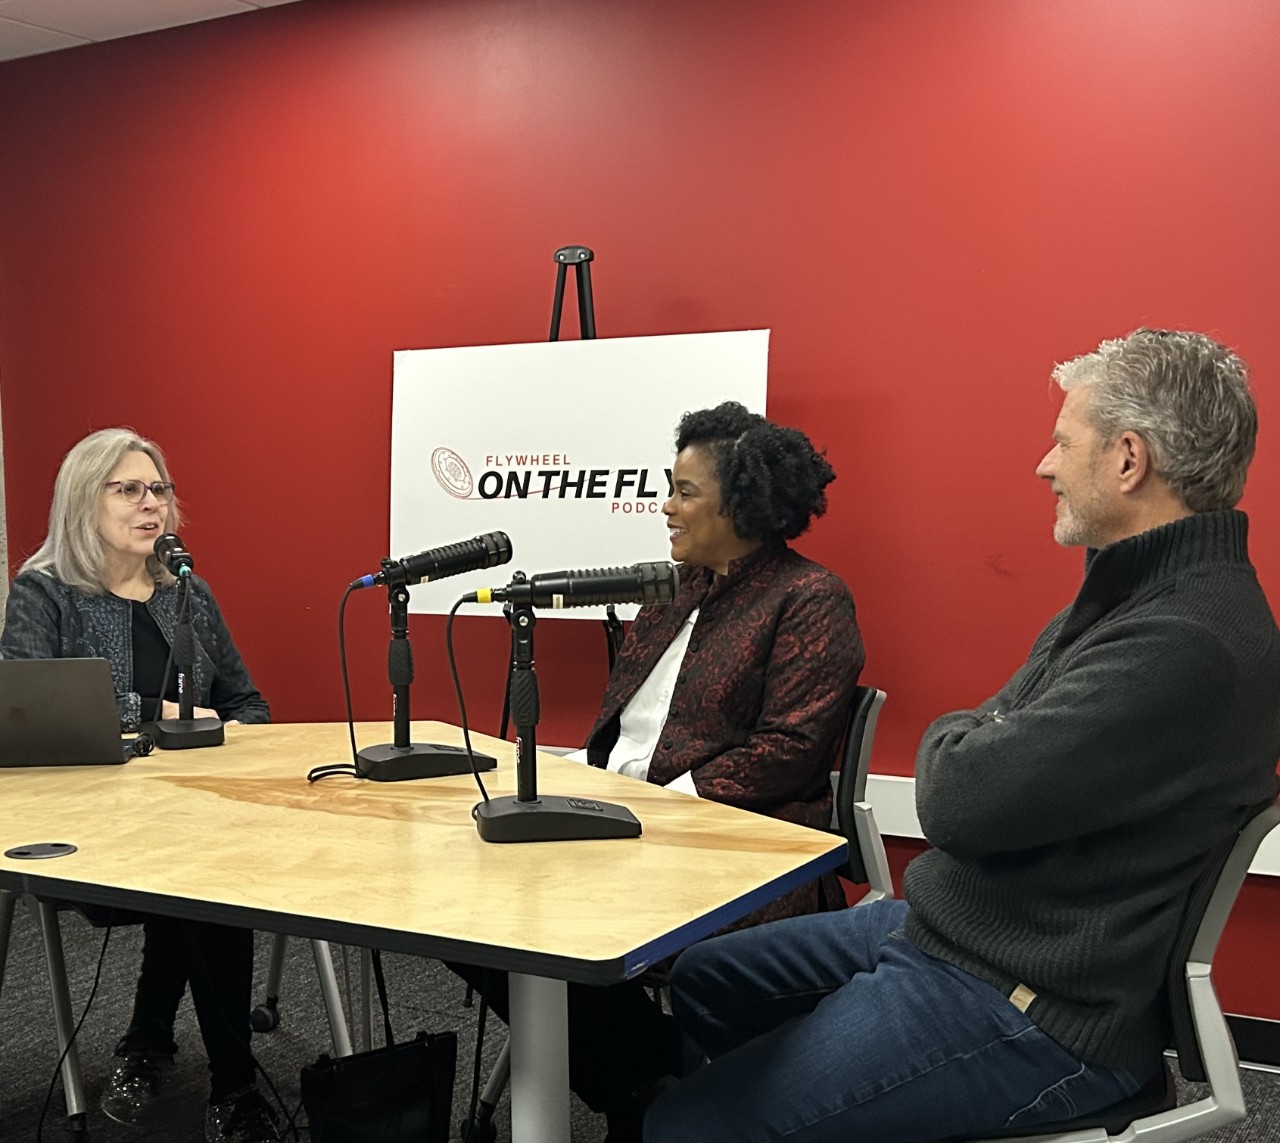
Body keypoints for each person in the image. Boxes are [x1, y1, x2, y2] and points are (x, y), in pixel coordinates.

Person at [645, 330, 1280, 1143]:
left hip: (1032, 1003)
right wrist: (981, 734)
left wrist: (977, 732)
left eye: (1062, 441)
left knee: (683, 1126)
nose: (1044, 465)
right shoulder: (1131, 592)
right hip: (954, 932)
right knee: (705, 977)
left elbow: (955, 796)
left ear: (1128, 460)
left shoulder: (1189, 639)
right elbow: (980, 750)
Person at [458, 401, 864, 1141]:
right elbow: (632, 735)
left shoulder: (810, 599)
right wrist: (576, 773)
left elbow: (789, 747)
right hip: (628, 824)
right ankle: (644, 1074)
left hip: (730, 852)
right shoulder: (674, 593)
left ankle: (637, 1081)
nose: (665, 507)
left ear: (742, 502)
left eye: (683, 491)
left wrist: (652, 803)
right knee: (463, 917)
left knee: (529, 921)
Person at [1, 428, 279, 1143]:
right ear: (82, 500)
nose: (149, 502)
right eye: (127, 488)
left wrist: (228, 744)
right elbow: (28, 709)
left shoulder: (186, 591)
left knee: (210, 873)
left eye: (158, 488)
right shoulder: (43, 594)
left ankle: (177, 1057)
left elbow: (248, 705)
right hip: (87, 832)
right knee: (202, 883)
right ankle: (205, 1069)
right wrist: (162, 714)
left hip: (192, 823)